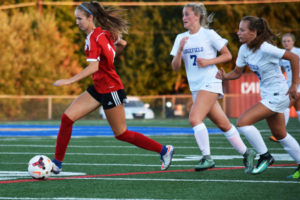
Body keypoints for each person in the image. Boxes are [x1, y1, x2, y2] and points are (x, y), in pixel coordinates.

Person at [51, 1, 174, 174]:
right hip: (98, 87)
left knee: (121, 133)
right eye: (76, 19)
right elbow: (122, 44)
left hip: (111, 89)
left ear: (90, 18)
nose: (77, 22)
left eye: (80, 19)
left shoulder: (93, 38)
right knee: (67, 118)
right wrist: (111, 56)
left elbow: (93, 67)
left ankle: (164, 150)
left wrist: (69, 81)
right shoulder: (104, 33)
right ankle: (57, 164)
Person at [170, 3, 256, 173]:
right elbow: (175, 67)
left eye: (187, 14)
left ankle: (207, 157)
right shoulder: (181, 38)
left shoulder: (209, 34)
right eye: (183, 15)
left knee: (194, 118)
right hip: (196, 87)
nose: (184, 18)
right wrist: (179, 50)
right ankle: (248, 152)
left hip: (210, 82)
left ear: (197, 16)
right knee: (223, 124)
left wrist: (209, 61)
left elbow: (227, 55)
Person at [216, 16, 300, 178]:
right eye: (238, 29)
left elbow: (294, 58)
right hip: (270, 95)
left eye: (242, 30)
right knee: (281, 134)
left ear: (254, 32)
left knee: (242, 122)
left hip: (278, 94)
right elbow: (237, 73)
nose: (238, 32)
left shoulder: (265, 48)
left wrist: (294, 85)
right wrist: (224, 76)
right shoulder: (244, 49)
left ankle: (265, 156)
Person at [269, 33, 300, 142]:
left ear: (293, 42)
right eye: (284, 41)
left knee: (285, 106)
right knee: (298, 109)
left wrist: (296, 83)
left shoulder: (298, 52)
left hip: (296, 85)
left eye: (288, 41)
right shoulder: (283, 55)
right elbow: (281, 69)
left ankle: (280, 133)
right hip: (290, 85)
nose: (286, 43)